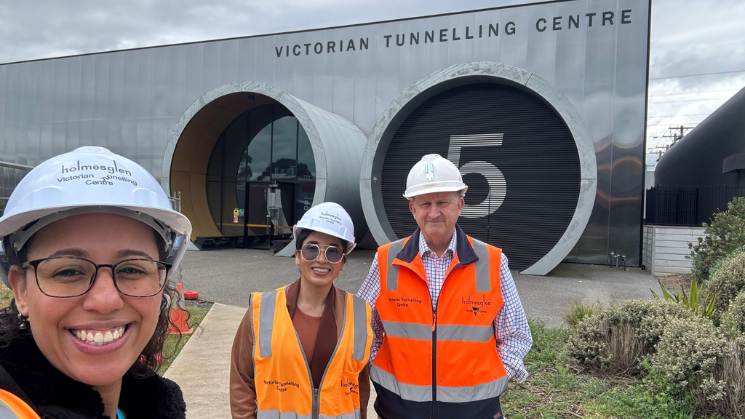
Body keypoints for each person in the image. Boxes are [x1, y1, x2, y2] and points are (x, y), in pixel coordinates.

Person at [0, 146, 192, 419]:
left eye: (132, 270)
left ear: (161, 282)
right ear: (21, 290)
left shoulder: (146, 406)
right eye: (68, 271)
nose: (105, 301)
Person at [357, 154, 533, 419]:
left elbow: (516, 335)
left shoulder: (492, 261)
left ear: (460, 205)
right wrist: (379, 371)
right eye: (425, 203)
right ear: (412, 208)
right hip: (398, 411)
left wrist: (490, 380)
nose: (434, 212)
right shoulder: (386, 260)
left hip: (476, 412)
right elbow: (362, 328)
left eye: (443, 202)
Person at [230, 202, 373, 419]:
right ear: (297, 256)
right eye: (311, 248)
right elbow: (242, 383)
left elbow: (359, 390)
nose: (322, 259)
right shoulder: (261, 310)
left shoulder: (360, 314)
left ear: (343, 262)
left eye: (333, 252)